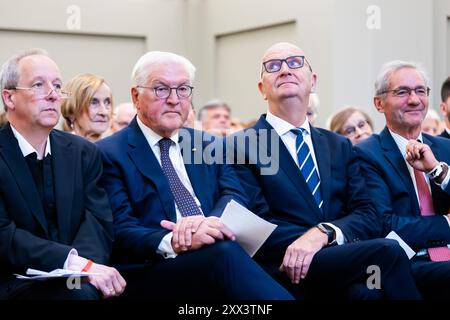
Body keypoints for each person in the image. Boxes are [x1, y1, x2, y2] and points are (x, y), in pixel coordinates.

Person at [229, 42, 421, 300]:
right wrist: (308, 239)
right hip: (284, 264)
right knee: (389, 251)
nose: (285, 70)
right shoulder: (242, 145)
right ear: (262, 89)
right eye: (273, 66)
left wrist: (325, 233)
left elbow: (367, 212)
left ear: (313, 81)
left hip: (339, 257)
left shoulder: (338, 145)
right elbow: (254, 223)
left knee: (366, 294)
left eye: (295, 62)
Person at [96, 51, 293, 300]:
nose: (173, 99)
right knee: (223, 254)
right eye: (161, 89)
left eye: (182, 89)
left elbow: (234, 195)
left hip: (217, 251)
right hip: (155, 268)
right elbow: (121, 230)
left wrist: (206, 225)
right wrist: (180, 239)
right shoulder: (109, 153)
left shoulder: (209, 145)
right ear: (136, 96)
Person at [0, 49, 125, 299]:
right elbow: (4, 234)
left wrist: (85, 269)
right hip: (12, 280)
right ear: (9, 98)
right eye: (38, 85)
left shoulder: (83, 152)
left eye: (57, 85)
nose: (53, 94)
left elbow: (97, 222)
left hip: (76, 277)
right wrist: (73, 263)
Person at [355, 60, 450, 299]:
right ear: (379, 103)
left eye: (420, 91)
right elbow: (384, 225)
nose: (415, 100)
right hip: (410, 261)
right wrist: (447, 224)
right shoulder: (366, 154)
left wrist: (438, 171)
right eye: (402, 92)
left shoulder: (445, 148)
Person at [61, 73, 113, 142]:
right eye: (94, 102)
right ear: (72, 111)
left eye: (107, 102)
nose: (104, 112)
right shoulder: (57, 149)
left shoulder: (118, 148)